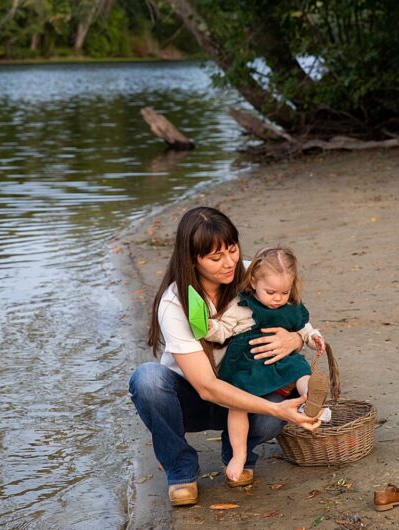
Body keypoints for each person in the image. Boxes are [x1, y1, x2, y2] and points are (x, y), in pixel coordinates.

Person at [128, 207, 321, 507]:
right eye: (216, 258)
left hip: (243, 386)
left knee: (271, 413)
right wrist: (279, 410)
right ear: (193, 259)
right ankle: (180, 470)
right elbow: (206, 387)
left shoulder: (250, 273)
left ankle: (238, 454)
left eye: (232, 250)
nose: (229, 262)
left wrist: (296, 338)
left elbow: (289, 307)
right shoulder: (175, 303)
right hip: (191, 397)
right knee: (147, 380)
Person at [208, 246, 331, 483]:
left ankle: (311, 402)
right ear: (253, 282)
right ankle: (239, 453)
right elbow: (224, 329)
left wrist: (313, 337)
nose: (278, 298)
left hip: (281, 360)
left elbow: (303, 328)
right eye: (271, 291)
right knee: (238, 405)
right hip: (247, 364)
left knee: (301, 372)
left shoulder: (292, 306)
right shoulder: (241, 305)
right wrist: (211, 328)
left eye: (284, 292)